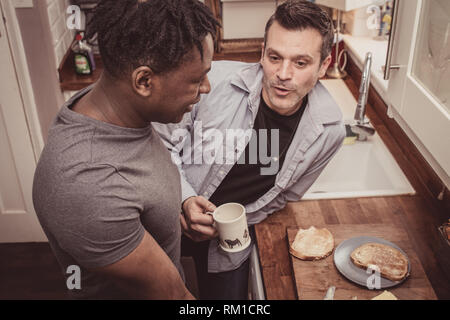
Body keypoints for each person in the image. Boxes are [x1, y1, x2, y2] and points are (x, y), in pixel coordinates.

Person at [153, 0, 346, 299]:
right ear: (262, 52)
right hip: (165, 216)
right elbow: (159, 145)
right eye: (274, 57)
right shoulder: (210, 81)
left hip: (230, 241)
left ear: (324, 64)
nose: (283, 73)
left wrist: (235, 222)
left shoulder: (330, 131)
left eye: (300, 62)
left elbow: (287, 194)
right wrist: (185, 199)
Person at [32, 0, 219, 299]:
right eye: (197, 80)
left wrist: (178, 204)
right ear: (144, 81)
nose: (206, 88)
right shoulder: (89, 182)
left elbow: (137, 184)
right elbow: (174, 296)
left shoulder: (114, 106)